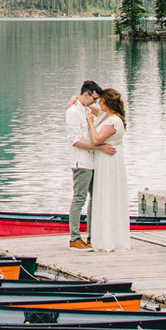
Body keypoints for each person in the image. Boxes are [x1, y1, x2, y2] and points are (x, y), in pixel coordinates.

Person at [86, 88, 130, 251]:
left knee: (108, 195)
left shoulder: (113, 121)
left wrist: (91, 123)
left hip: (109, 162)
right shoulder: (107, 116)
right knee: (103, 195)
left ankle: (109, 238)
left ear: (107, 102)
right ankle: (103, 235)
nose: (98, 103)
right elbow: (92, 106)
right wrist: (76, 98)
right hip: (105, 160)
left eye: (101, 101)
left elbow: (97, 139)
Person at [66, 80, 103, 247]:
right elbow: (75, 140)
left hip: (92, 161)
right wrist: (99, 147)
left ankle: (92, 234)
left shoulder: (87, 109)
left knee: (95, 198)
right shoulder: (73, 112)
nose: (95, 102)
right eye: (93, 99)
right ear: (86, 95)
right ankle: (75, 237)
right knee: (79, 198)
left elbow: (103, 111)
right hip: (81, 162)